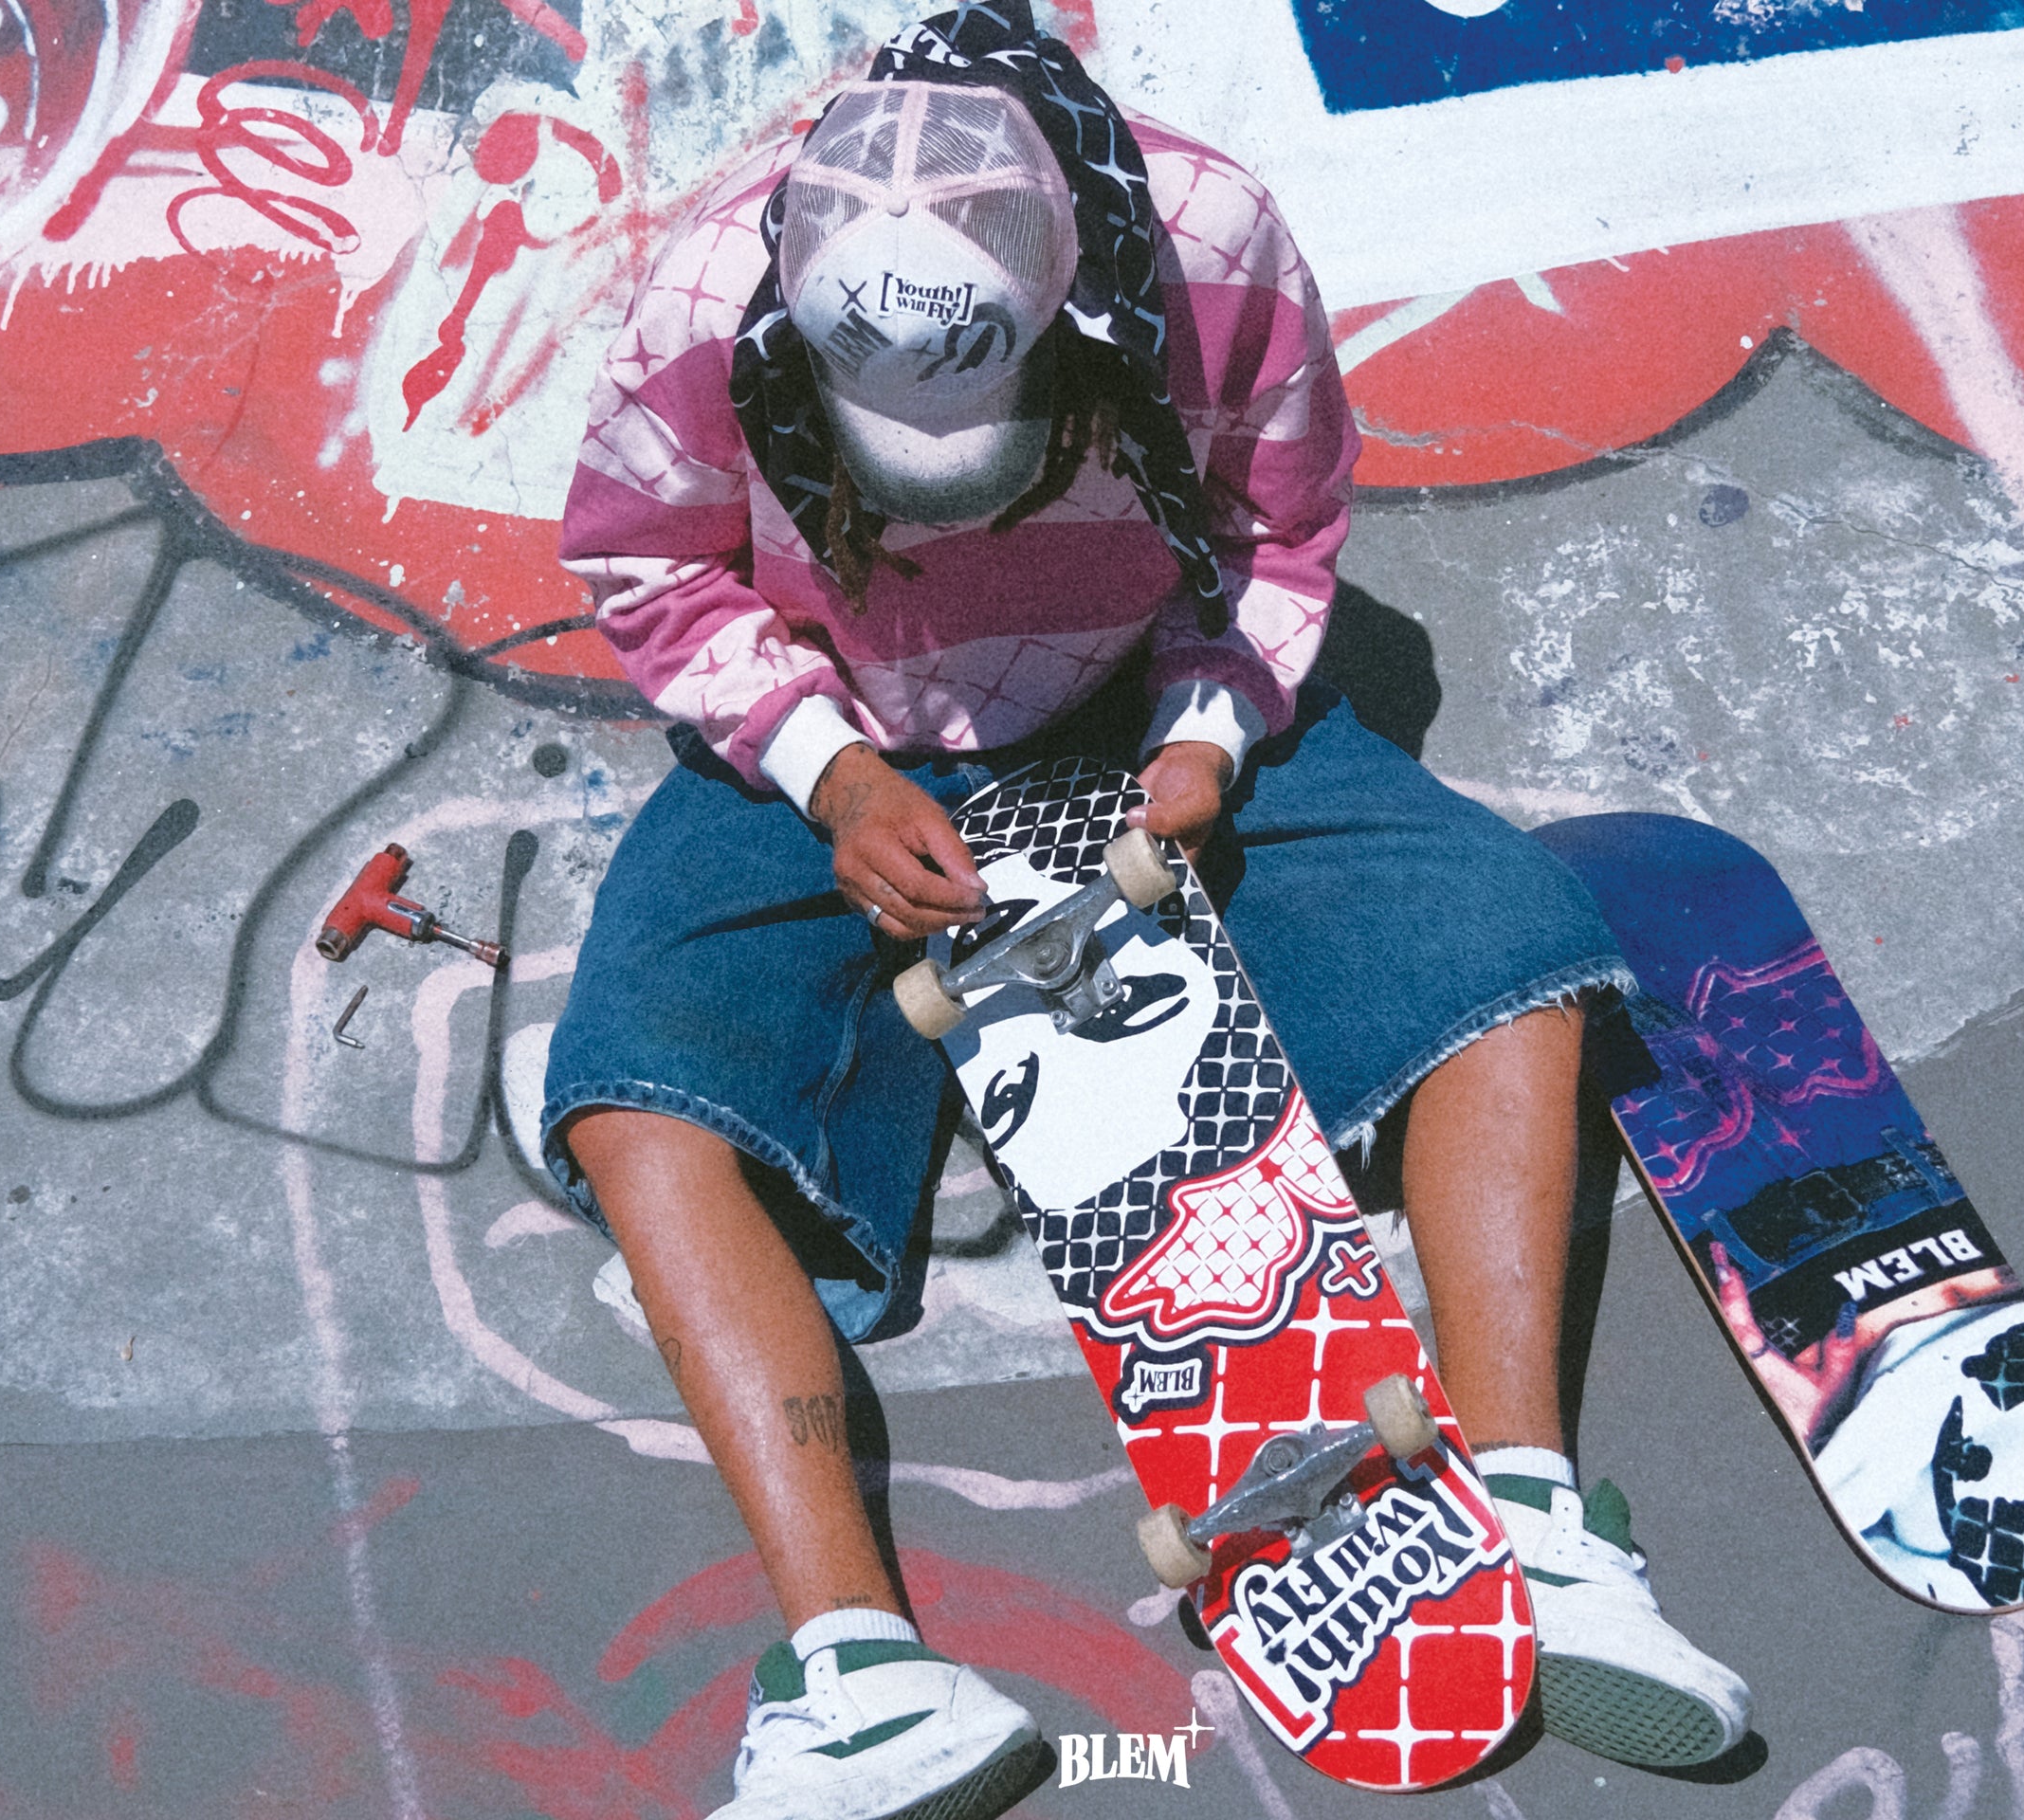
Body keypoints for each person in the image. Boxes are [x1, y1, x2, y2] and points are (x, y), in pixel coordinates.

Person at [544, 9, 1749, 1815]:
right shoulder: (706, 294)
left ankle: (1544, 1531)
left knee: (1513, 951)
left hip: (1140, 687)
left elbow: (1282, 530)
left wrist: (1205, 734)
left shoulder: (1207, 249)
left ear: (1075, 313)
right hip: (848, 721)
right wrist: (825, 771)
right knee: (638, 1094)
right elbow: (645, 564)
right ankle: (868, 1685)